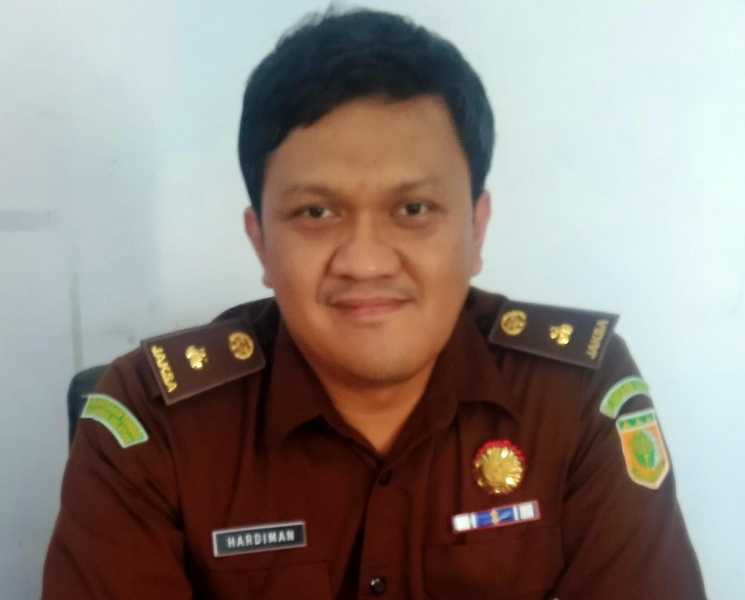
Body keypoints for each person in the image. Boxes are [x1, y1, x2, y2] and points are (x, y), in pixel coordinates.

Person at [42, 7, 707, 599]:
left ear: (475, 230)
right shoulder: (152, 421)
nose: (364, 261)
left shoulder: (572, 396)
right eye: (316, 212)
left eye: (413, 209)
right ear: (261, 241)